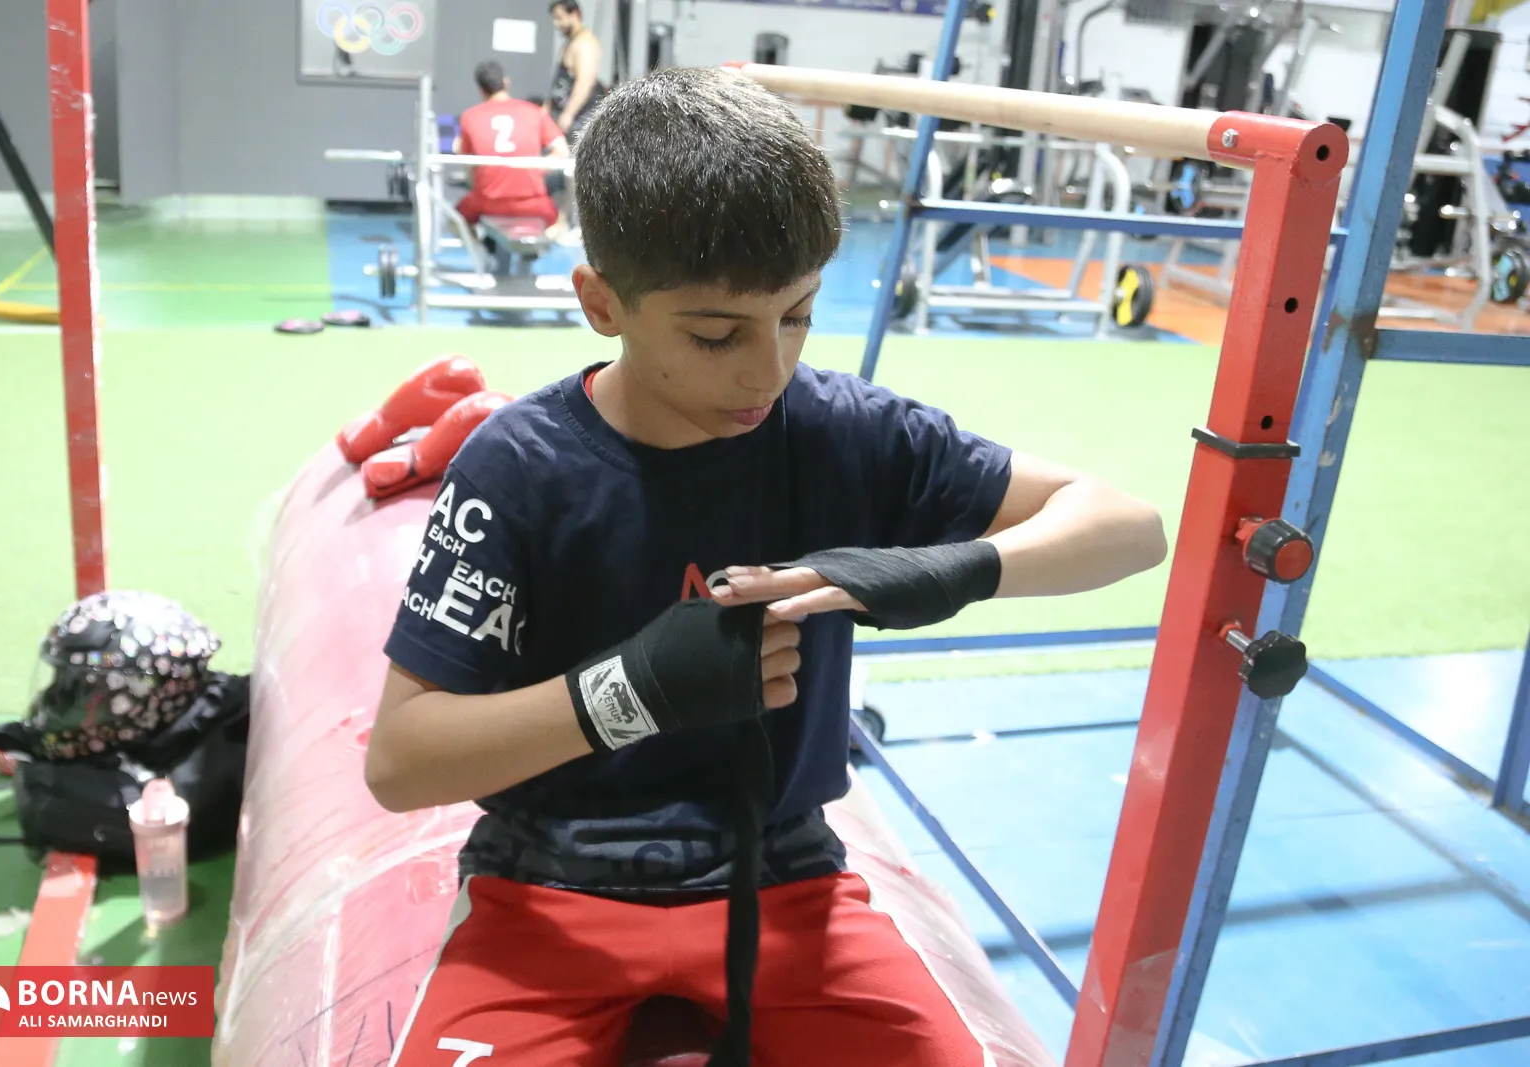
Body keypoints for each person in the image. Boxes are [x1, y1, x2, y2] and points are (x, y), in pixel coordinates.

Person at [368, 66, 1168, 1067]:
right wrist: (631, 691)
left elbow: (1128, 525)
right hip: (545, 880)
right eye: (716, 335)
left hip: (782, 872)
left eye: (797, 314)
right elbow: (400, 761)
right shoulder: (518, 466)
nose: (767, 368)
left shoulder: (839, 430)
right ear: (602, 302)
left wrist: (944, 569)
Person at [455, 60, 568, 229]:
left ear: (481, 90)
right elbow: (562, 150)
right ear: (506, 82)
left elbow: (465, 159)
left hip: (488, 203)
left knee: (456, 218)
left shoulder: (469, 116)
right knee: (559, 222)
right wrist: (536, 169)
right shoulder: (534, 112)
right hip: (533, 204)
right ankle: (539, 244)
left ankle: (476, 245)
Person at [547, 0, 606, 141]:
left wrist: (568, 114)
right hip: (562, 115)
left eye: (560, 18)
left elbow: (585, 82)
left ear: (574, 15)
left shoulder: (584, 43)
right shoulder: (571, 42)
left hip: (579, 120)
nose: (556, 24)